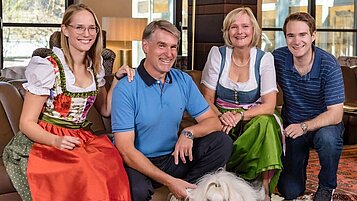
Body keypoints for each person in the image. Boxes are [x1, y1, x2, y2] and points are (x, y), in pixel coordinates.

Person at [2, 4, 134, 201]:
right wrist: (56, 141)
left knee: (110, 161)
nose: (86, 34)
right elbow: (26, 123)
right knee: (85, 169)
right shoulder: (48, 67)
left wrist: (116, 80)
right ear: (65, 29)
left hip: (79, 136)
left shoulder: (94, 68)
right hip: (46, 138)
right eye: (79, 27)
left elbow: (105, 110)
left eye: (92, 28)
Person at [112, 20, 233, 201]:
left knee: (221, 142)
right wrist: (170, 181)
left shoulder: (183, 80)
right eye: (162, 46)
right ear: (145, 46)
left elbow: (213, 121)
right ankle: (177, 186)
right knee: (137, 191)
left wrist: (189, 132)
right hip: (138, 161)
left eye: (173, 47)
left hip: (172, 157)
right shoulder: (126, 87)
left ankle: (185, 192)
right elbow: (126, 150)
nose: (169, 54)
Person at [201, 7, 283, 200]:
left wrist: (239, 115)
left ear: (253, 30)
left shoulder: (264, 59)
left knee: (266, 122)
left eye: (245, 26)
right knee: (217, 129)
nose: (240, 32)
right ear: (227, 32)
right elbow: (207, 100)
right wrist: (222, 115)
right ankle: (229, 181)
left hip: (253, 116)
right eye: (233, 27)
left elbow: (269, 105)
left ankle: (263, 188)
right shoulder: (217, 55)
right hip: (220, 113)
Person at [273, 12, 345, 200]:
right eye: (291, 35)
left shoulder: (328, 65)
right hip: (293, 127)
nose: (297, 41)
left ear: (313, 35)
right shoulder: (278, 58)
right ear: (285, 37)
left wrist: (304, 126)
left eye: (303, 35)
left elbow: (336, 114)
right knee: (290, 191)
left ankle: (327, 186)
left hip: (324, 125)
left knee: (328, 139)